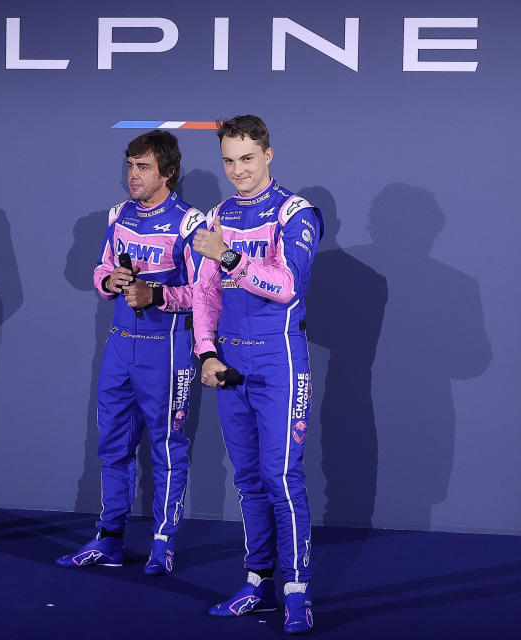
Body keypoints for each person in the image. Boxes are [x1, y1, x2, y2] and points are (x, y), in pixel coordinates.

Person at [192, 115, 323, 633]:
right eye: (228, 160)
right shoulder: (218, 212)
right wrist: (205, 353)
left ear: (268, 154)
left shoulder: (297, 212)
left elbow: (287, 285)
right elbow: (204, 293)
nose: (237, 169)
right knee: (247, 480)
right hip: (230, 363)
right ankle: (255, 581)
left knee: (281, 478)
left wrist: (226, 254)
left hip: (280, 361)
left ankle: (297, 591)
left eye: (247, 158)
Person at [55, 131, 205, 575]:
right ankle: (110, 537)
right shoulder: (119, 214)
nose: (133, 175)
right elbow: (102, 268)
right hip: (120, 345)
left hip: (167, 351)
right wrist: (110, 283)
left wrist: (154, 293)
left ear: (168, 173)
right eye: (130, 165)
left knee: (166, 448)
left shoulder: (190, 222)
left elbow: (204, 294)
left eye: (143, 167)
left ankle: (163, 542)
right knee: (112, 445)